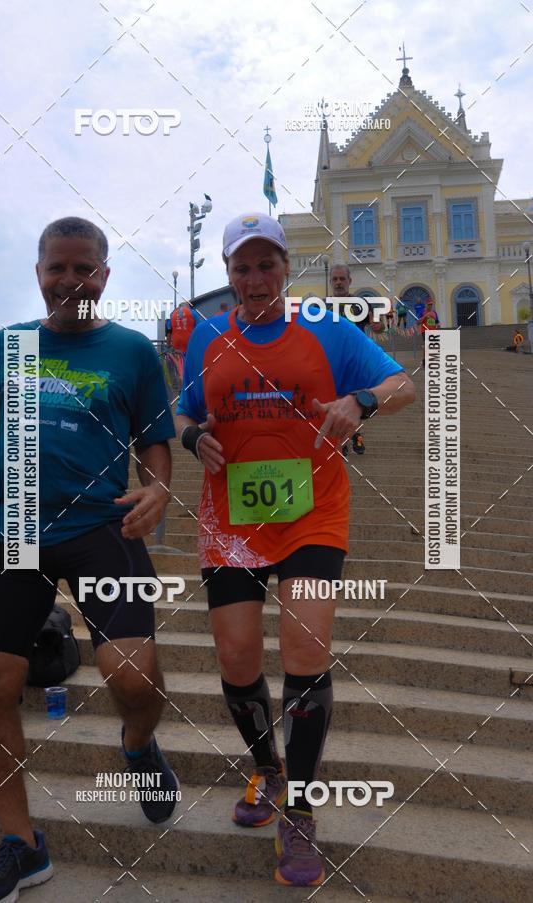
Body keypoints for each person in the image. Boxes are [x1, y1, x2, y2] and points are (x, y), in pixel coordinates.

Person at [0, 216, 179, 903]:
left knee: (131, 674)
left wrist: (158, 486)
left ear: (105, 275)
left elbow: (157, 438)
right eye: (57, 268)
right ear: (38, 272)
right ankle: (21, 842)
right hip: (15, 526)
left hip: (104, 523)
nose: (71, 280)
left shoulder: (132, 352)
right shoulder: (7, 346)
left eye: (85, 269)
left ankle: (137, 744)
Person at [175, 213, 415, 887]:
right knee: (236, 653)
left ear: (286, 267)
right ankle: (267, 767)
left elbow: (404, 384)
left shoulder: (326, 328)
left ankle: (301, 809)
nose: (255, 279)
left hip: (312, 511)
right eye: (242, 268)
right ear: (228, 275)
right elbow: (184, 410)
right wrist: (194, 439)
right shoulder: (208, 338)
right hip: (231, 518)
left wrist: (360, 399)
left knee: (306, 648)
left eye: (266, 265)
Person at [330, 265, 367, 457]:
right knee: (338, 403)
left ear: (349, 281)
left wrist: (378, 325)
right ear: (330, 282)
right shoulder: (323, 307)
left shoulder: (359, 304)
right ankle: (343, 441)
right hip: (334, 363)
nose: (338, 283)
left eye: (342, 279)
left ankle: (356, 435)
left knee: (355, 401)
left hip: (355, 362)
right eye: (335, 279)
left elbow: (376, 327)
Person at [418, 298, 440, 367]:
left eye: (431, 304)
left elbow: (436, 322)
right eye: (429, 305)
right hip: (424, 330)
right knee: (426, 345)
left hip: (433, 331)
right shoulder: (422, 312)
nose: (430, 306)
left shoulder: (434, 313)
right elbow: (418, 322)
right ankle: (425, 361)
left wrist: (438, 325)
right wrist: (424, 317)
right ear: (426, 305)